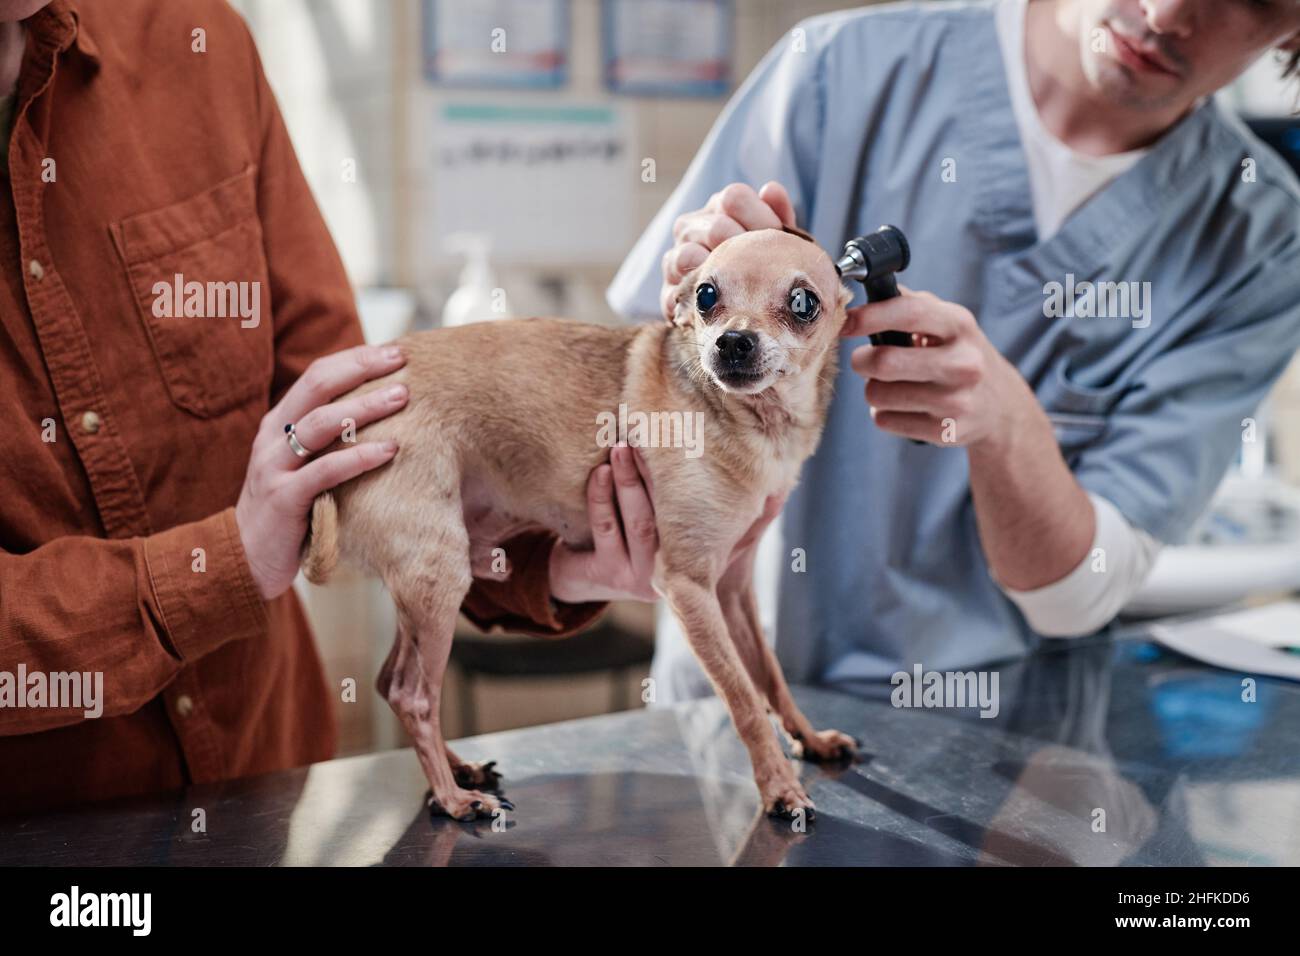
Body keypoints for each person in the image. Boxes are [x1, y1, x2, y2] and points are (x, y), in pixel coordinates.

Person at [0, 0, 656, 816]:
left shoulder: (198, 43)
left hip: (271, 783)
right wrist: (219, 569)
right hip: (46, 826)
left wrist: (538, 561)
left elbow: (361, 422)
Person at [607, 0, 1300, 702]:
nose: (1167, 11)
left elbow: (1078, 596)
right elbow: (636, 413)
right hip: (726, 706)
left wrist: (1006, 427)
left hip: (991, 746)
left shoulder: (1260, 243)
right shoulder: (832, 72)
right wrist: (698, 309)